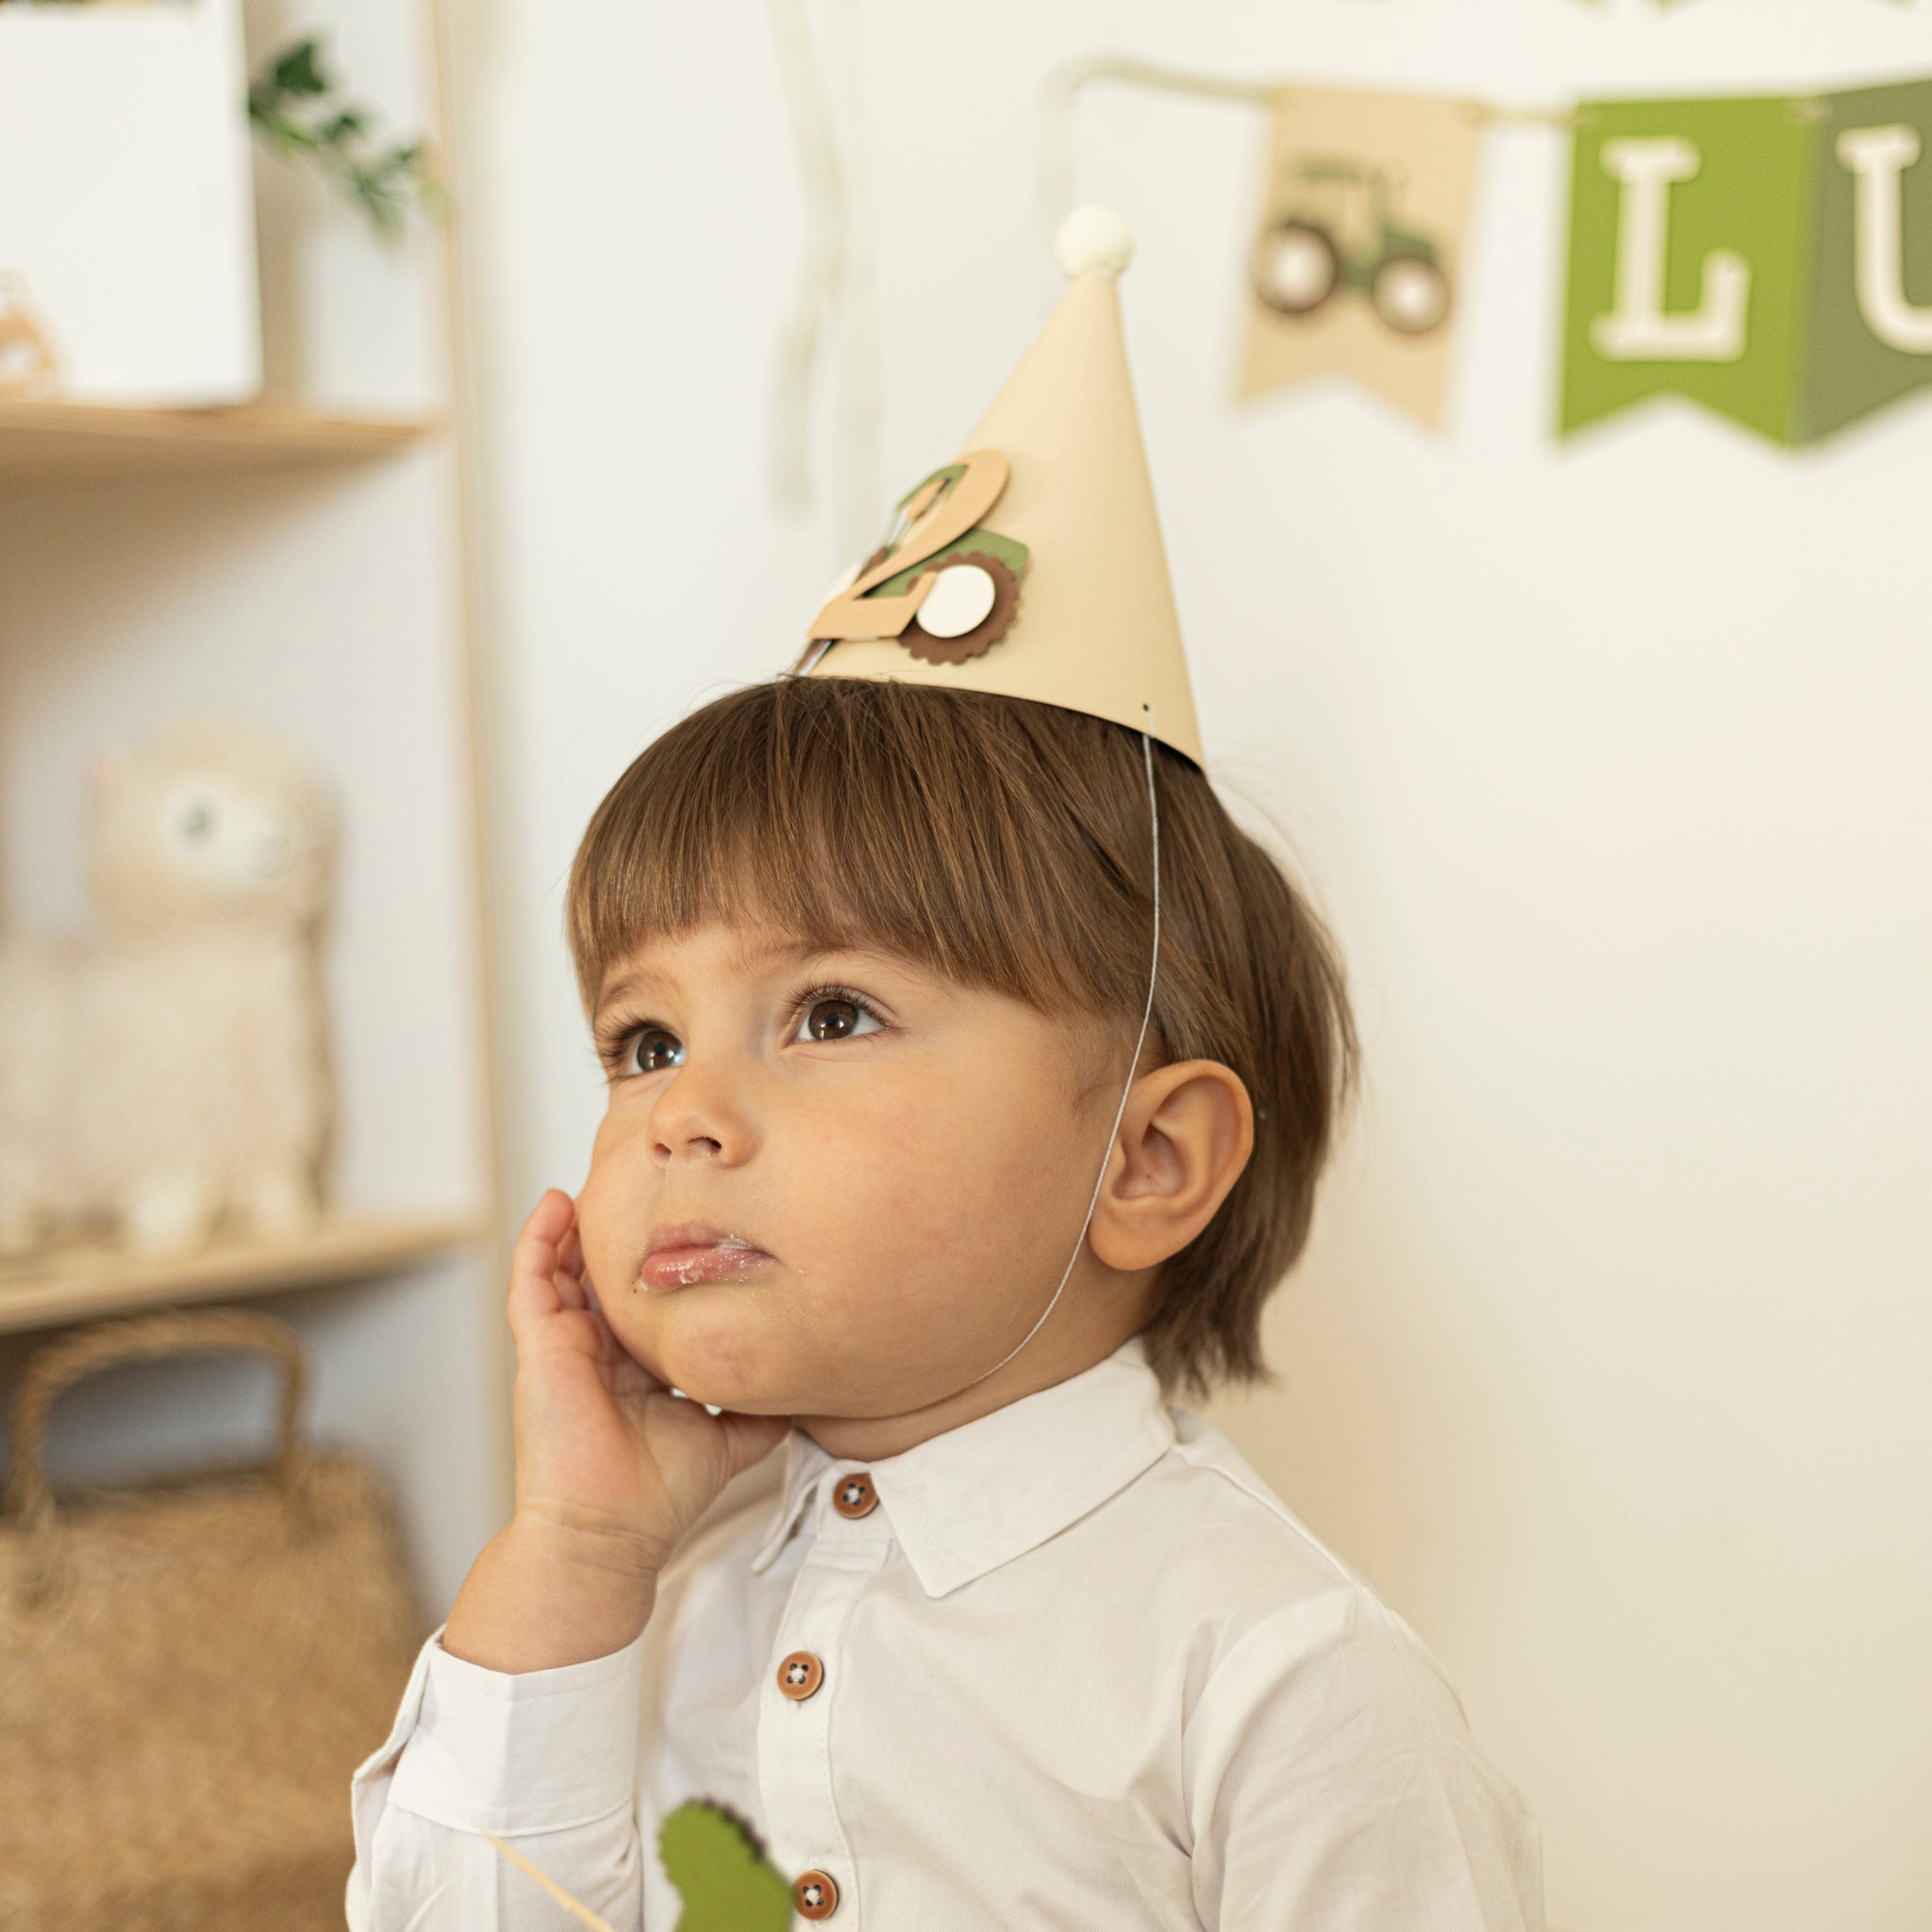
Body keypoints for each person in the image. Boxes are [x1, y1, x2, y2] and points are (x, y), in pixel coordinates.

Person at [347, 210, 1543, 1931]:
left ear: (1145, 1161)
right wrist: (582, 1553)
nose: (679, 1111)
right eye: (643, 1040)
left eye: (829, 1013)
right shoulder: (635, 1597)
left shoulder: (1275, 1682)